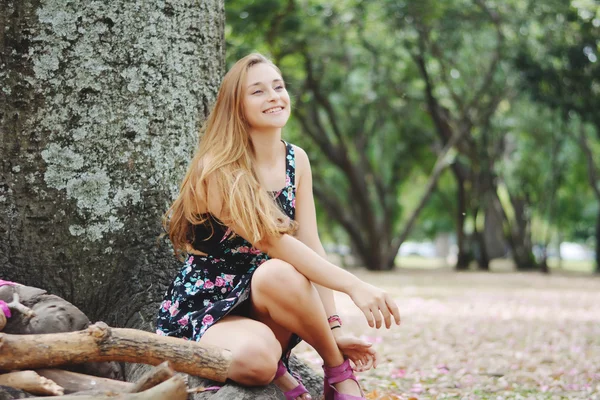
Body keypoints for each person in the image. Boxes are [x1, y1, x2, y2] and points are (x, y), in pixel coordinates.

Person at [156, 53, 401, 400]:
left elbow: (310, 244)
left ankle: (338, 374)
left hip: (272, 298)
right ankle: (285, 372)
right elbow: (274, 241)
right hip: (208, 309)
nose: (273, 96)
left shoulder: (296, 159)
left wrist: (333, 328)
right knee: (258, 361)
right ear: (237, 108)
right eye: (257, 91)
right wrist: (355, 286)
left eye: (278, 86)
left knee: (277, 273)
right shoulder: (217, 168)